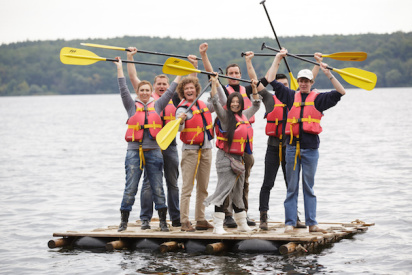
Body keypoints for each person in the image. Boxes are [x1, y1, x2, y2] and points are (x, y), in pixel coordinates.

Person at [267, 49, 346, 233]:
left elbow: (341, 92)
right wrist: (278, 58)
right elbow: (271, 79)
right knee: (292, 188)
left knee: (308, 188)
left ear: (312, 83)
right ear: (298, 82)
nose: (303, 84)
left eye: (306, 81)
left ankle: (312, 223)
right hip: (292, 148)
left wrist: (328, 73)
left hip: (310, 149)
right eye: (301, 81)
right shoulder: (289, 96)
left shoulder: (319, 100)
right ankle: (290, 222)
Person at [247, 52, 322, 230]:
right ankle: (263, 217)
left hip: (290, 147)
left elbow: (311, 79)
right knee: (268, 183)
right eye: (280, 85)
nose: (284, 88)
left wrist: (317, 63)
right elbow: (254, 85)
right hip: (273, 147)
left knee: (292, 185)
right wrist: (249, 61)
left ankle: (294, 217)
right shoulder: (268, 97)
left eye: (287, 85)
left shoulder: (294, 98)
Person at [125, 48, 198, 229]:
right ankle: (145, 219)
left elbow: (191, 84)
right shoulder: (150, 99)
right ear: (153, 87)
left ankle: (174, 218)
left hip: (170, 145)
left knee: (172, 183)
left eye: (165, 84)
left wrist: (193, 65)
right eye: (159, 84)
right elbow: (134, 77)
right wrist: (130, 57)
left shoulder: (173, 97)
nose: (162, 87)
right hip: (151, 145)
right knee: (149, 185)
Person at [115, 56, 181, 232]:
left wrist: (180, 73)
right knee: (131, 187)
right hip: (134, 152)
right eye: (141, 90)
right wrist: (120, 68)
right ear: (138, 92)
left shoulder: (158, 104)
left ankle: (162, 222)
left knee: (158, 187)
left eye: (147, 90)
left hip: (154, 151)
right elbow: (123, 88)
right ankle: (123, 221)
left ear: (150, 91)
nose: (144, 92)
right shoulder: (130, 105)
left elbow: (171, 89)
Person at [199, 42, 256, 228]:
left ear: (240, 75)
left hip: (243, 151)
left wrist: (254, 83)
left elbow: (256, 103)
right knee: (225, 186)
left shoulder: (246, 93)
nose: (233, 76)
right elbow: (214, 95)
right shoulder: (224, 98)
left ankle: (242, 217)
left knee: (241, 185)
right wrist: (205, 56)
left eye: (236, 73)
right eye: (230, 73)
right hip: (227, 153)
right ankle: (224, 218)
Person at [204, 74, 261, 234]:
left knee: (238, 191)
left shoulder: (245, 115)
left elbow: (256, 104)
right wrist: (214, 84)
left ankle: (242, 224)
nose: (235, 104)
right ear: (229, 104)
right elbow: (215, 101)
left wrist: (255, 88)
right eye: (233, 102)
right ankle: (217, 226)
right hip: (225, 158)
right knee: (223, 190)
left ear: (241, 104)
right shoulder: (224, 116)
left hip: (239, 159)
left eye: (238, 102)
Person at [175, 76, 220, 232]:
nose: (189, 90)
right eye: (186, 88)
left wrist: (214, 83)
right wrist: (180, 121)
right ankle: (184, 221)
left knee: (203, 187)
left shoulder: (203, 104)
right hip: (190, 151)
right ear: (183, 92)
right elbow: (179, 128)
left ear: (196, 90)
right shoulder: (182, 109)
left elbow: (215, 102)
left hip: (206, 149)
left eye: (191, 88)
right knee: (187, 187)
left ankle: (200, 219)